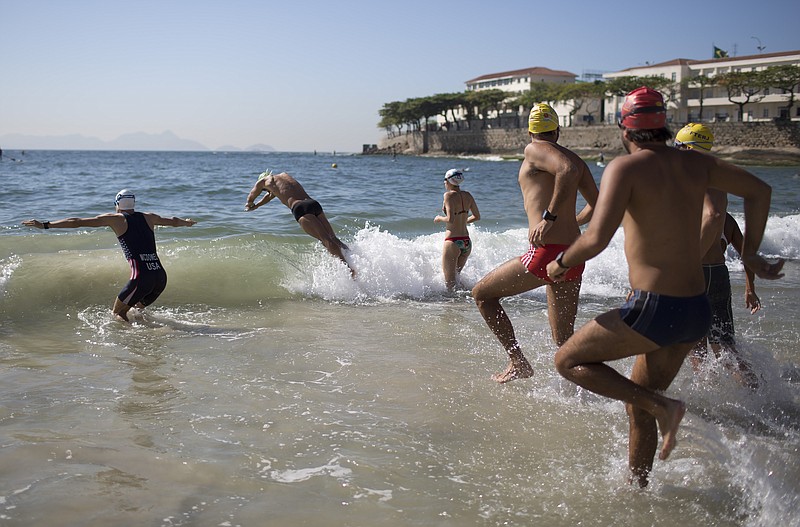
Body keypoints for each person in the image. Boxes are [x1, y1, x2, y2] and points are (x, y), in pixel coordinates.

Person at [546, 87, 784, 487]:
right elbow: (760, 191)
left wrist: (560, 262)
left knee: (567, 361)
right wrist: (751, 255)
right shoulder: (698, 165)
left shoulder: (625, 168)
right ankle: (639, 488)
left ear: (625, 129)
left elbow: (596, 239)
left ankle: (664, 406)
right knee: (636, 406)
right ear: (664, 126)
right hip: (695, 311)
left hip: (655, 308)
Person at [472, 103, 598, 383]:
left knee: (482, 295)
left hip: (547, 254)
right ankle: (592, 388)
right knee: (564, 340)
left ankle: (518, 362)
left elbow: (563, 170)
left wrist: (550, 219)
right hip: (573, 255)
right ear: (558, 130)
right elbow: (597, 204)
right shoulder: (576, 158)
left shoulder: (534, 149)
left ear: (530, 131)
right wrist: (572, 222)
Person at [22, 189, 197, 323]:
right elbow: (173, 221)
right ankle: (148, 336)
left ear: (117, 204)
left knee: (118, 314)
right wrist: (187, 223)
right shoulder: (149, 217)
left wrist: (45, 225)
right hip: (160, 277)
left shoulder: (116, 219)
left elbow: (77, 222)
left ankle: (139, 342)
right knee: (135, 310)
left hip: (141, 278)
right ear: (133, 203)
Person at [674, 123, 760, 388]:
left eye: (678, 147)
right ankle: (758, 393)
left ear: (689, 148)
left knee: (696, 348)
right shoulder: (726, 211)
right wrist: (750, 288)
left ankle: (709, 395)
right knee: (724, 346)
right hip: (719, 276)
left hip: (697, 274)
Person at [244, 170, 355, 276]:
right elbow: (270, 196)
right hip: (313, 203)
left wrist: (250, 204)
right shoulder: (284, 176)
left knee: (326, 240)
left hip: (300, 208)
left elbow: (251, 196)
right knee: (333, 238)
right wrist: (258, 205)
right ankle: (354, 257)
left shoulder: (262, 182)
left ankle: (349, 270)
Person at [433, 169, 480, 291]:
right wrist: (463, 221)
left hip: (453, 241)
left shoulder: (448, 195)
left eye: (444, 180)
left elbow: (450, 219)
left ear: (448, 181)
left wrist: (439, 218)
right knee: (456, 279)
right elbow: (477, 216)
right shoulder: (468, 195)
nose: (444, 183)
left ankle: (452, 308)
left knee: (450, 284)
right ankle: (462, 304)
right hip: (466, 242)